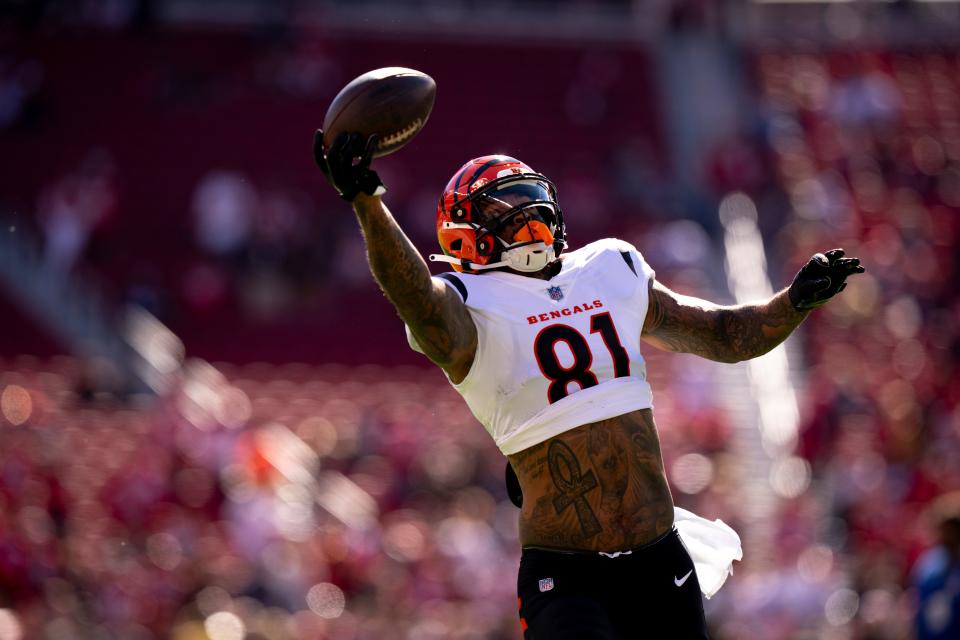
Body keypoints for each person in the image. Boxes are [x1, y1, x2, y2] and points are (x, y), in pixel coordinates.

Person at [313, 131, 864, 639]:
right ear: (467, 233)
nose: (528, 216)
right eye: (505, 212)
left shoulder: (609, 267)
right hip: (567, 572)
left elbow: (724, 334)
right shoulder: (468, 309)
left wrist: (792, 303)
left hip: (658, 555)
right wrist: (368, 202)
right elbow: (414, 295)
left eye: (529, 199)